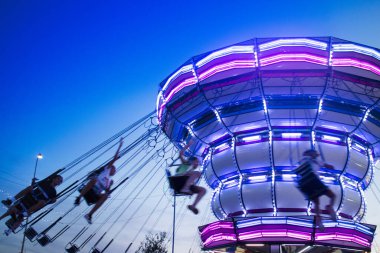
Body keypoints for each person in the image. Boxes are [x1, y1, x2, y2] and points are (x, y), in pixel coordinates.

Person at [74, 138, 123, 224]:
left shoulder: (109, 181)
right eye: (114, 169)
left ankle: (89, 215)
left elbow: (107, 191)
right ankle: (79, 197)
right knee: (95, 179)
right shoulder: (106, 170)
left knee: (106, 196)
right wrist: (120, 146)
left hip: (95, 194)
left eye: (115, 170)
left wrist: (110, 186)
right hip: (90, 188)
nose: (115, 170)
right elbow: (114, 158)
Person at [294, 149, 336, 230]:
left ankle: (318, 219)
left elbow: (298, 171)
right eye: (315, 153)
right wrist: (332, 168)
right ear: (311, 153)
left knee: (316, 203)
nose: (317, 155)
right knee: (332, 196)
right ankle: (329, 207)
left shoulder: (302, 161)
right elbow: (329, 166)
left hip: (305, 184)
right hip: (313, 180)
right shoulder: (313, 160)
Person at [176, 141, 206, 215]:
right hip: (178, 181)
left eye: (198, 163)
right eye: (196, 162)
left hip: (186, 184)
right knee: (196, 173)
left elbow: (191, 177)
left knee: (203, 190)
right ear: (192, 161)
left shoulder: (192, 172)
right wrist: (188, 145)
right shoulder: (186, 164)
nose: (197, 164)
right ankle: (185, 188)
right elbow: (180, 154)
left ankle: (193, 206)